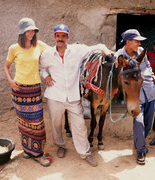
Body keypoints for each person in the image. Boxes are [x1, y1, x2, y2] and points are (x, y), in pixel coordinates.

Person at [39, 24, 111, 167]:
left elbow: (97, 46)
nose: (61, 39)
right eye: (58, 36)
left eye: (63, 36)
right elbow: (41, 67)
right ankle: (60, 145)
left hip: (73, 97)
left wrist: (105, 49)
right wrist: (46, 75)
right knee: (56, 124)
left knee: (79, 125)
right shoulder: (47, 54)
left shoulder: (77, 50)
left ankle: (85, 153)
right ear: (54, 37)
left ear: (68, 37)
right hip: (54, 96)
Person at [4, 17, 50, 167]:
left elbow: (55, 52)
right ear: (22, 32)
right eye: (28, 30)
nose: (31, 33)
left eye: (33, 30)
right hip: (19, 91)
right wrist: (11, 81)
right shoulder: (14, 48)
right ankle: (27, 151)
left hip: (34, 90)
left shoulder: (39, 46)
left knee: (37, 123)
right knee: (23, 123)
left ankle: (38, 153)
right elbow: (6, 66)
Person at [115, 29, 155, 165]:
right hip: (135, 96)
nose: (139, 43)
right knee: (138, 122)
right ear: (128, 42)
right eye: (137, 41)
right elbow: (115, 67)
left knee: (147, 122)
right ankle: (140, 150)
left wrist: (151, 75)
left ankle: (139, 143)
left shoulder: (141, 52)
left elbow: (148, 65)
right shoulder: (120, 56)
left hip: (150, 91)